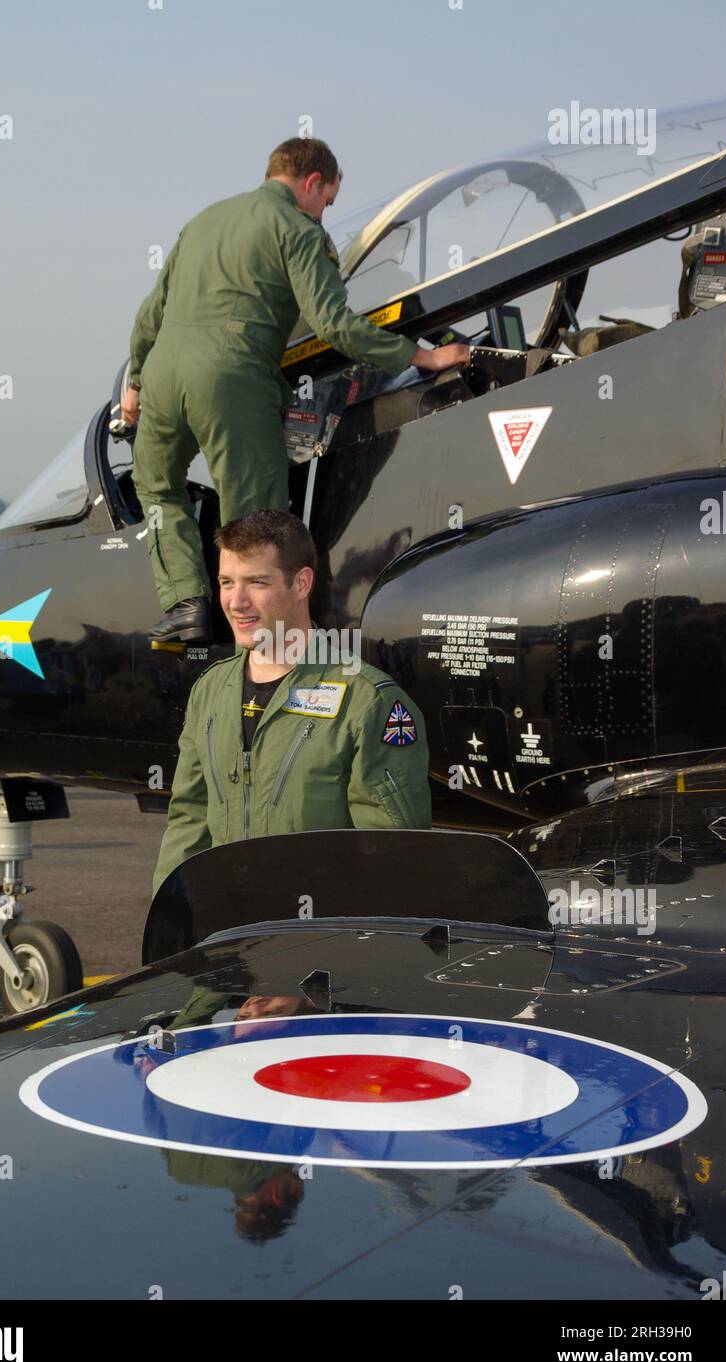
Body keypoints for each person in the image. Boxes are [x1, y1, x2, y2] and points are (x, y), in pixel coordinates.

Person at [124, 137, 470, 644]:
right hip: (232, 377)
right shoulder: (297, 230)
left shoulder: (202, 221)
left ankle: (185, 605)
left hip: (160, 377)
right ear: (312, 183)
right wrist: (422, 356)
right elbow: (334, 324)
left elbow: (149, 315)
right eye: (326, 201)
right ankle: (261, 631)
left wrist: (134, 384)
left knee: (156, 486)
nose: (324, 214)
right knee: (253, 512)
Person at [152, 509, 431, 896]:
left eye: (257, 582)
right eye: (227, 582)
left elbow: (392, 860)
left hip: (315, 944)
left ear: (301, 584)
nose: (236, 601)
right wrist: (171, 923)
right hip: (226, 937)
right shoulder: (210, 691)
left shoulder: (367, 701)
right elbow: (189, 821)